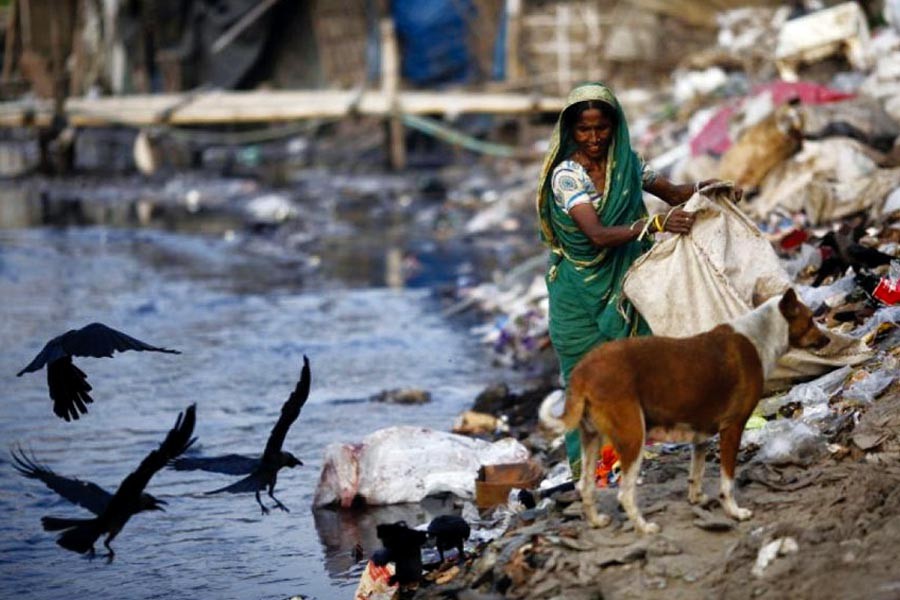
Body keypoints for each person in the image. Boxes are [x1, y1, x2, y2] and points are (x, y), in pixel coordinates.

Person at [536, 82, 720, 481]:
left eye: (601, 127)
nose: (594, 138)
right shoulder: (566, 176)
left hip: (623, 286)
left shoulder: (627, 164)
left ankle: (626, 457)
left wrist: (714, 188)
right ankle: (588, 471)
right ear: (571, 131)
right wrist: (654, 224)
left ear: (614, 126)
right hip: (577, 293)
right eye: (584, 130)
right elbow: (597, 235)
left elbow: (672, 192)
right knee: (585, 379)